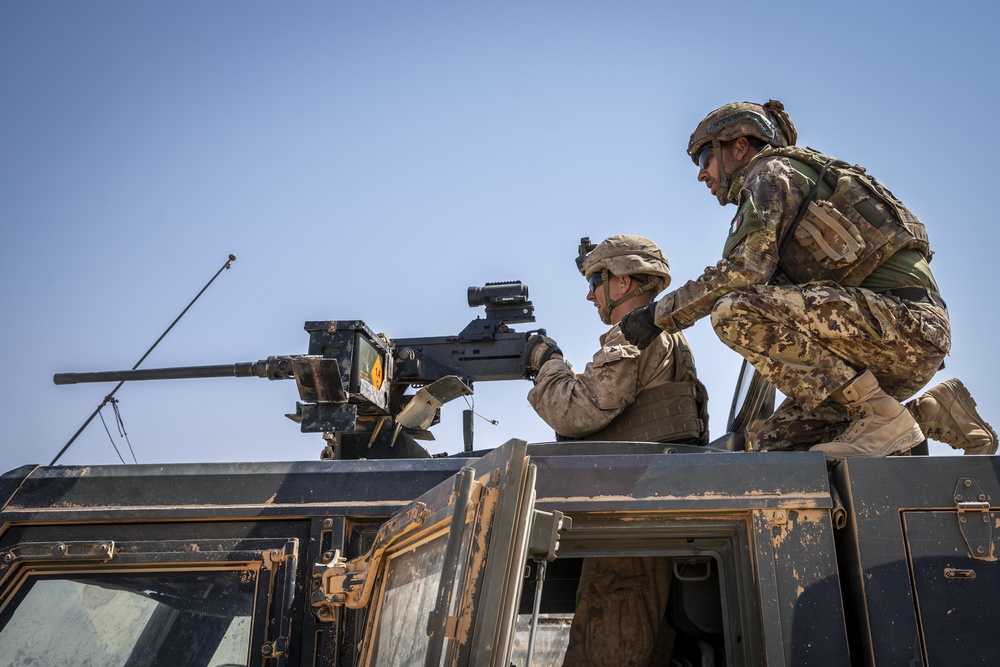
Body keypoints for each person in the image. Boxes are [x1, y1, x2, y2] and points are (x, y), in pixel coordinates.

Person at [619, 99, 993, 457]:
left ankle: (880, 415)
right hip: (876, 348)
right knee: (779, 449)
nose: (702, 173)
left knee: (733, 312)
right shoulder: (785, 179)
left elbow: (743, 271)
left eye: (704, 158)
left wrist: (657, 315)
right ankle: (928, 413)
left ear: (739, 146)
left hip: (905, 325)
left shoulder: (769, 173)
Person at [523, 235, 709, 666]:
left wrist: (546, 362)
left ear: (623, 282)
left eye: (595, 280)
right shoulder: (666, 336)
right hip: (650, 511)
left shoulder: (637, 337)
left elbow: (575, 412)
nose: (590, 294)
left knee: (608, 644)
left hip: (631, 517)